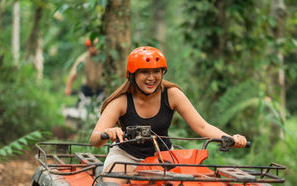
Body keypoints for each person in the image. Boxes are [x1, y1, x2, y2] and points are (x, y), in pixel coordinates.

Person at [89, 46, 247, 177]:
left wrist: (231, 138)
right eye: (144, 72)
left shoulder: (171, 94)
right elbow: (94, 139)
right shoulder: (121, 101)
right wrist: (108, 132)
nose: (151, 78)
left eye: (156, 71)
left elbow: (202, 127)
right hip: (126, 158)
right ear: (132, 75)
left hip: (163, 158)